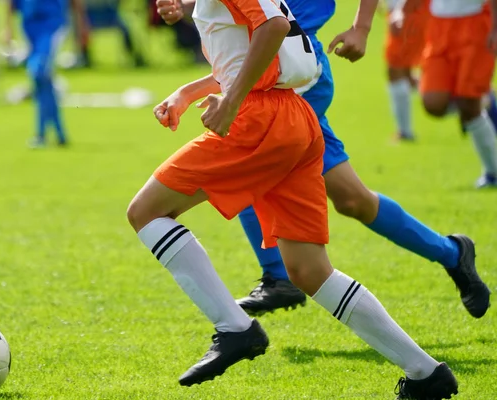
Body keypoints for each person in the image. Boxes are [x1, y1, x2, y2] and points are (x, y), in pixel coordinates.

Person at [129, 0, 459, 397]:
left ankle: (235, 328)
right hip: (294, 117)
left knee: (146, 213)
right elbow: (260, 43)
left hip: (259, 117)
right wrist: (189, 87)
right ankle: (426, 373)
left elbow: (273, 28)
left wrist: (231, 101)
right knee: (309, 271)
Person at [157, 0, 491, 319]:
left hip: (297, 75)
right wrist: (187, 8)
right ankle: (451, 253)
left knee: (244, 164)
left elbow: (273, 28)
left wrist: (361, 28)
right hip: (271, 73)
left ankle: (279, 278)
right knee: (352, 199)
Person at [394, 0, 497, 187]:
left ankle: (493, 173)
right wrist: (401, 11)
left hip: (476, 22)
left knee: (469, 105)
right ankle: (484, 100)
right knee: (433, 104)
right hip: (439, 24)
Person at [4, 0, 87, 148]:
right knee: (42, 80)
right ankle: (58, 134)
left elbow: (75, 3)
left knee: (39, 72)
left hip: (52, 23)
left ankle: (42, 135)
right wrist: (8, 28)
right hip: (29, 24)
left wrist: (81, 26)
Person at [384, 0, 429, 141]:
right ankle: (470, 97)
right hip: (405, 12)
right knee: (405, 74)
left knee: (396, 70)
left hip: (408, 12)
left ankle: (473, 98)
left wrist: (400, 10)